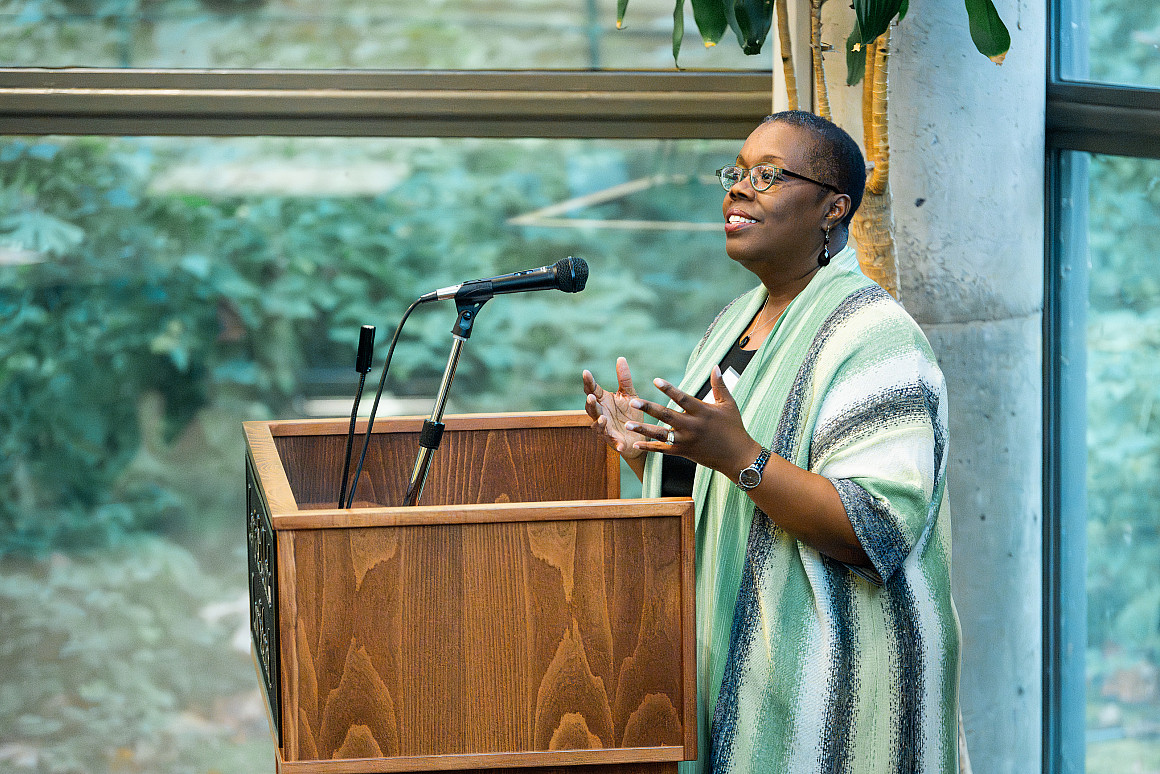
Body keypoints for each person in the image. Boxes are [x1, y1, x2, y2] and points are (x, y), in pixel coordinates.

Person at [582, 111, 960, 774]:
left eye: (768, 176)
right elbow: (729, 480)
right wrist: (649, 450)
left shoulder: (876, 336)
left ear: (833, 209)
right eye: (736, 173)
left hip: (835, 696)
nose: (738, 188)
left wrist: (738, 456)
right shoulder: (736, 321)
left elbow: (875, 528)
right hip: (740, 669)